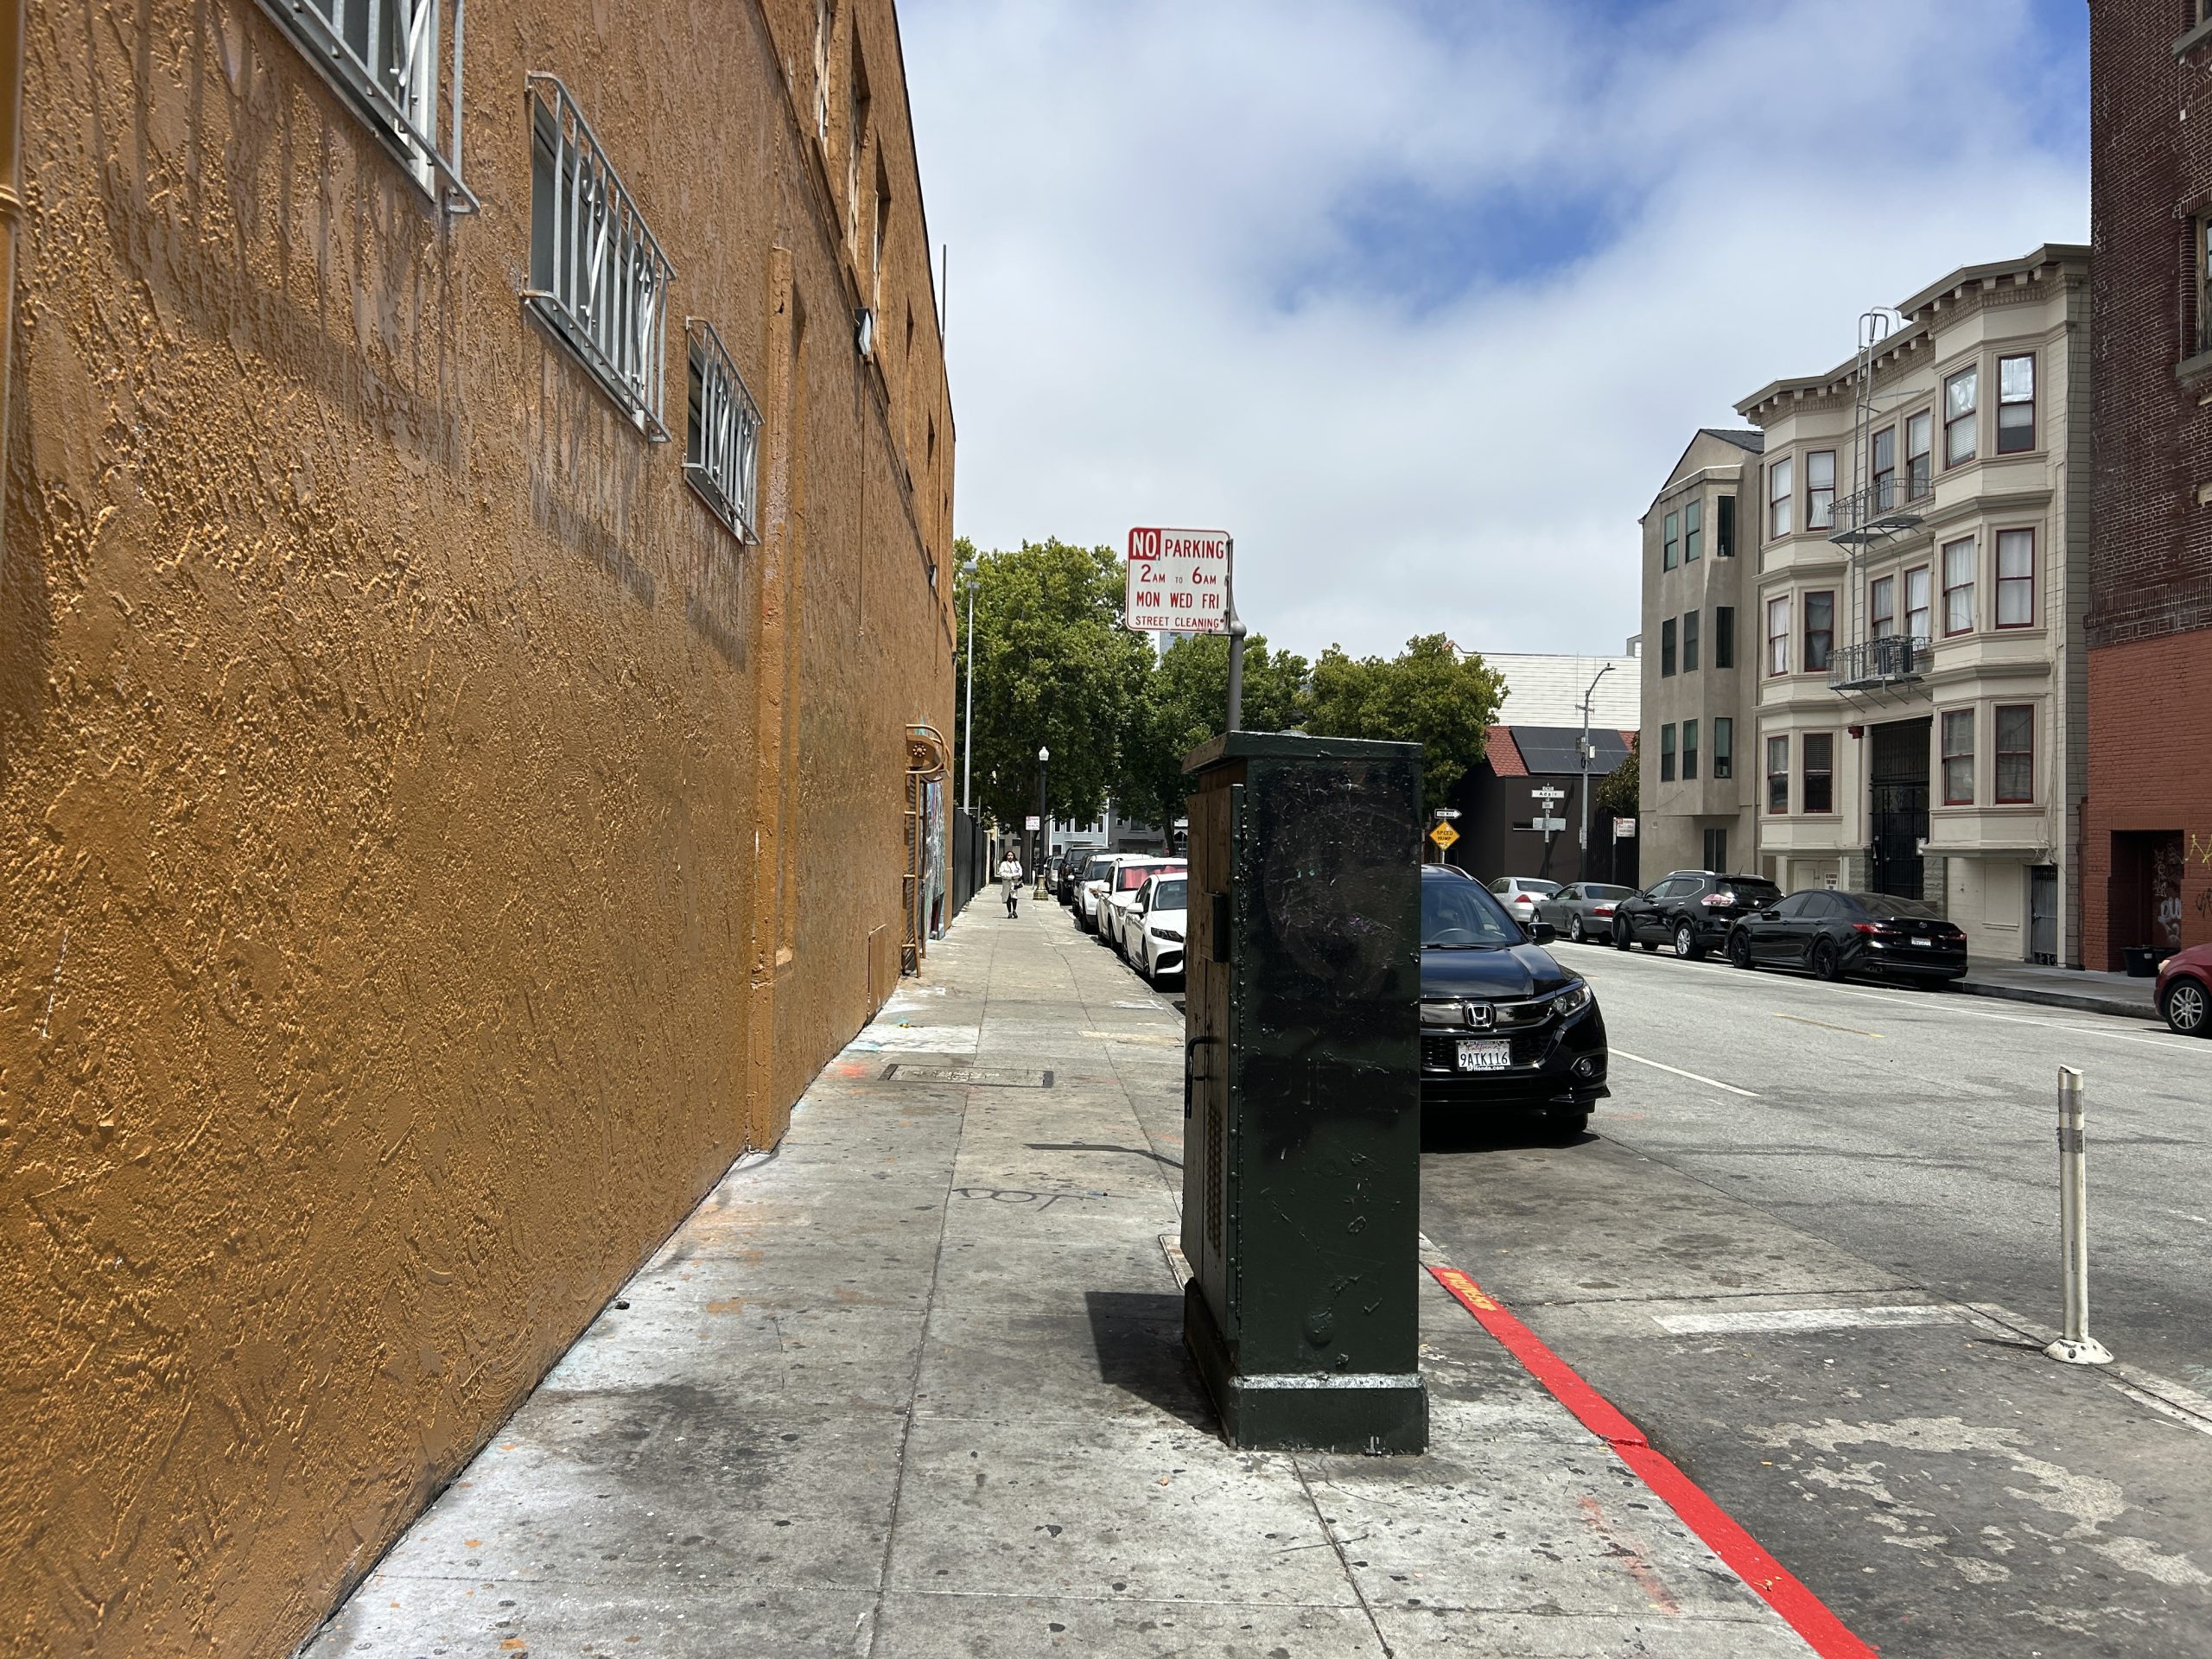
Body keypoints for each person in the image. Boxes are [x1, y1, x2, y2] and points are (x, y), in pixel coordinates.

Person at [997, 851, 1025, 917]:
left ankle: (1014, 910)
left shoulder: (1016, 863)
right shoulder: (1003, 864)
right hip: (1006, 883)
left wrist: (1014, 876)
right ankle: (1009, 912)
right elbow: (1001, 873)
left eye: (1011, 855)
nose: (1010, 857)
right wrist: (1010, 876)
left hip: (1015, 882)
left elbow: (1020, 873)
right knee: (1008, 898)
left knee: (1014, 897)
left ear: (1014, 856)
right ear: (1006, 856)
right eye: (1008, 855)